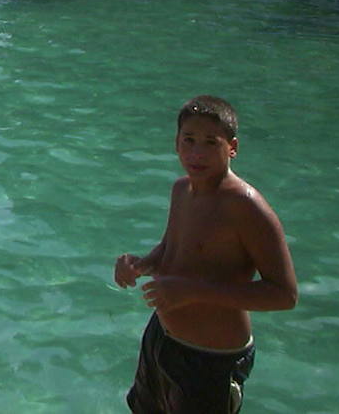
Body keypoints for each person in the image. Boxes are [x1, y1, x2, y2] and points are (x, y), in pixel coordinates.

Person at [115, 95, 297, 413]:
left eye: (211, 143)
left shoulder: (246, 206)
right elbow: (173, 249)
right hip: (162, 339)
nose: (197, 153)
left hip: (210, 359)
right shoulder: (181, 190)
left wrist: (194, 291)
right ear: (176, 143)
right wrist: (140, 264)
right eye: (189, 140)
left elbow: (284, 295)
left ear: (232, 147)